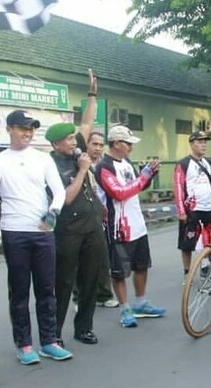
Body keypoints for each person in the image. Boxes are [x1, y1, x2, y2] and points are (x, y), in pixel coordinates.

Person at [0, 110, 73, 365]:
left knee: (46, 289)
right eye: (23, 128)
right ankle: (23, 344)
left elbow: (58, 191)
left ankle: (49, 341)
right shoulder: (0, 159)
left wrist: (52, 213)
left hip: (43, 232)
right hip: (14, 231)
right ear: (10, 129)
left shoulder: (42, 159)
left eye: (31, 129)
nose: (28, 133)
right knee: (20, 291)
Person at [46, 69, 110, 346]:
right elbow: (67, 196)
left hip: (92, 226)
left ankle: (83, 327)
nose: (75, 143)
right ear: (56, 144)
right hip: (68, 230)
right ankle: (55, 333)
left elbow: (87, 122)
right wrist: (83, 170)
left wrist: (92, 94)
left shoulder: (76, 150)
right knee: (63, 283)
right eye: (69, 140)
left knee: (89, 280)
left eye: (75, 139)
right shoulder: (52, 164)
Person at [95, 125, 166, 328]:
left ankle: (141, 302)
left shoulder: (126, 161)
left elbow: (137, 186)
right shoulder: (104, 167)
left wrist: (149, 174)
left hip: (137, 223)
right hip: (118, 227)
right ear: (116, 144)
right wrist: (143, 176)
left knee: (141, 266)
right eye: (127, 144)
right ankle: (124, 308)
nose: (131, 148)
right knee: (119, 271)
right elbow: (119, 193)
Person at [173, 130, 211, 278]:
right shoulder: (183, 164)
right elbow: (178, 187)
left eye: (205, 142)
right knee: (187, 242)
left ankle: (206, 267)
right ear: (192, 144)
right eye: (199, 141)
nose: (203, 145)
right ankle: (187, 272)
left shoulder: (208, 163)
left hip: (208, 207)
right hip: (192, 209)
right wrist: (181, 211)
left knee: (209, 240)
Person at [83, 132, 119, 308]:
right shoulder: (80, 163)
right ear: (86, 145)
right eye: (94, 144)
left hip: (103, 218)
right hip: (82, 218)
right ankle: (79, 297)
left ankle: (104, 295)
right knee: (82, 261)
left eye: (100, 144)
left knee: (103, 257)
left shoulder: (106, 165)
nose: (97, 148)